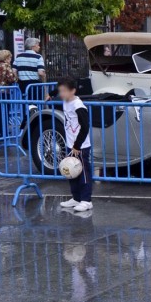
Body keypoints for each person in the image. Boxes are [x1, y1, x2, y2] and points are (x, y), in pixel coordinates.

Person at [57, 78, 93, 213]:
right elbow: (58, 88)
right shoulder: (66, 100)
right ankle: (76, 198)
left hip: (80, 146)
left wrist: (77, 146)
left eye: (64, 91)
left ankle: (86, 200)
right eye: (60, 91)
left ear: (73, 91)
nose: (61, 94)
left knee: (83, 172)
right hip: (70, 144)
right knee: (71, 172)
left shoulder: (78, 105)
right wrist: (50, 94)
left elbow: (85, 127)